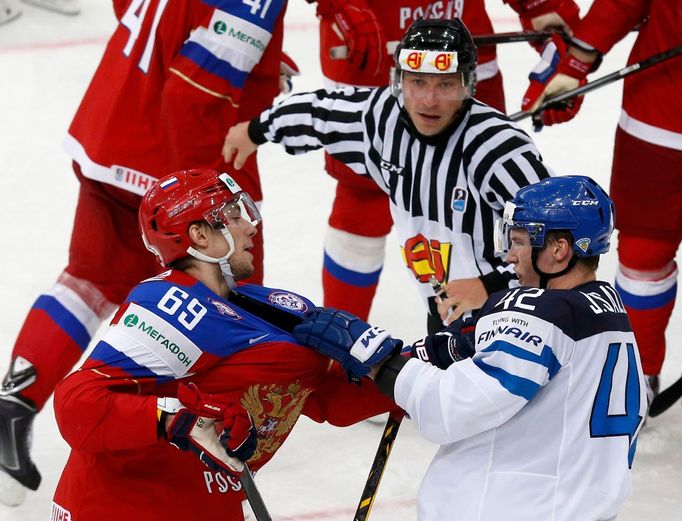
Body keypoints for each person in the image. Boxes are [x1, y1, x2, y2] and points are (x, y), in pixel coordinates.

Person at [0, 0, 298, 503]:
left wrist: (251, 58)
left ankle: (14, 404)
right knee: (228, 293)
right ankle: (213, 432)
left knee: (90, 277)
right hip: (172, 157)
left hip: (113, 127)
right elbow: (191, 95)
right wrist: (202, 199)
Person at [292, 175, 648, 521]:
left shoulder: (542, 312)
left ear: (558, 249)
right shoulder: (606, 309)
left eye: (521, 242)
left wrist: (377, 360)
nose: (509, 256)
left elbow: (451, 408)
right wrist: (456, 347)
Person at [50, 168, 395, 520]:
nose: (249, 226)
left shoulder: (275, 307)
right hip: (120, 508)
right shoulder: (172, 303)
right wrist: (177, 420)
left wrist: (409, 369)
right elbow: (78, 404)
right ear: (199, 235)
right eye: (232, 215)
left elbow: (328, 401)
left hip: (204, 506)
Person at [223, 17, 554, 335]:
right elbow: (321, 113)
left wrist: (490, 286)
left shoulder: (497, 148)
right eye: (417, 82)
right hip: (445, 310)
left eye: (446, 84)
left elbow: (561, 234)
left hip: (513, 317)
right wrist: (255, 130)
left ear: (467, 85)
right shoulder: (384, 120)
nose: (429, 100)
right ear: (400, 82)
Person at [315, 0, 580, 323]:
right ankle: (339, 355)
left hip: (463, 54)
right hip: (365, 46)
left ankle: (495, 330)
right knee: (360, 205)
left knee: (494, 213)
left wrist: (547, 14)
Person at [520, 0, 682, 400]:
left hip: (657, 115)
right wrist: (575, 64)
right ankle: (634, 376)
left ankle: (632, 381)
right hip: (658, 122)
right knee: (645, 253)